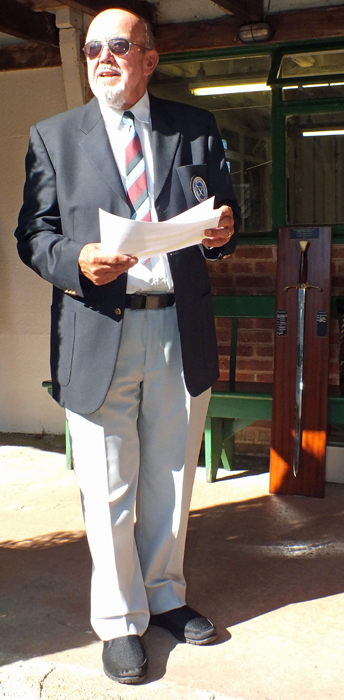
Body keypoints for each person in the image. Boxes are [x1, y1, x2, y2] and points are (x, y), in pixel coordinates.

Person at [15, 2, 240, 686]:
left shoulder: (194, 129)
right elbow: (34, 235)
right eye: (92, 50)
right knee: (107, 487)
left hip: (178, 326)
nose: (103, 58)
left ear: (149, 56)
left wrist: (224, 229)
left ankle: (165, 598)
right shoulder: (54, 136)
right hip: (98, 329)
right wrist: (76, 260)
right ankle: (118, 622)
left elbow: (222, 210)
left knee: (170, 475)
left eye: (119, 45)